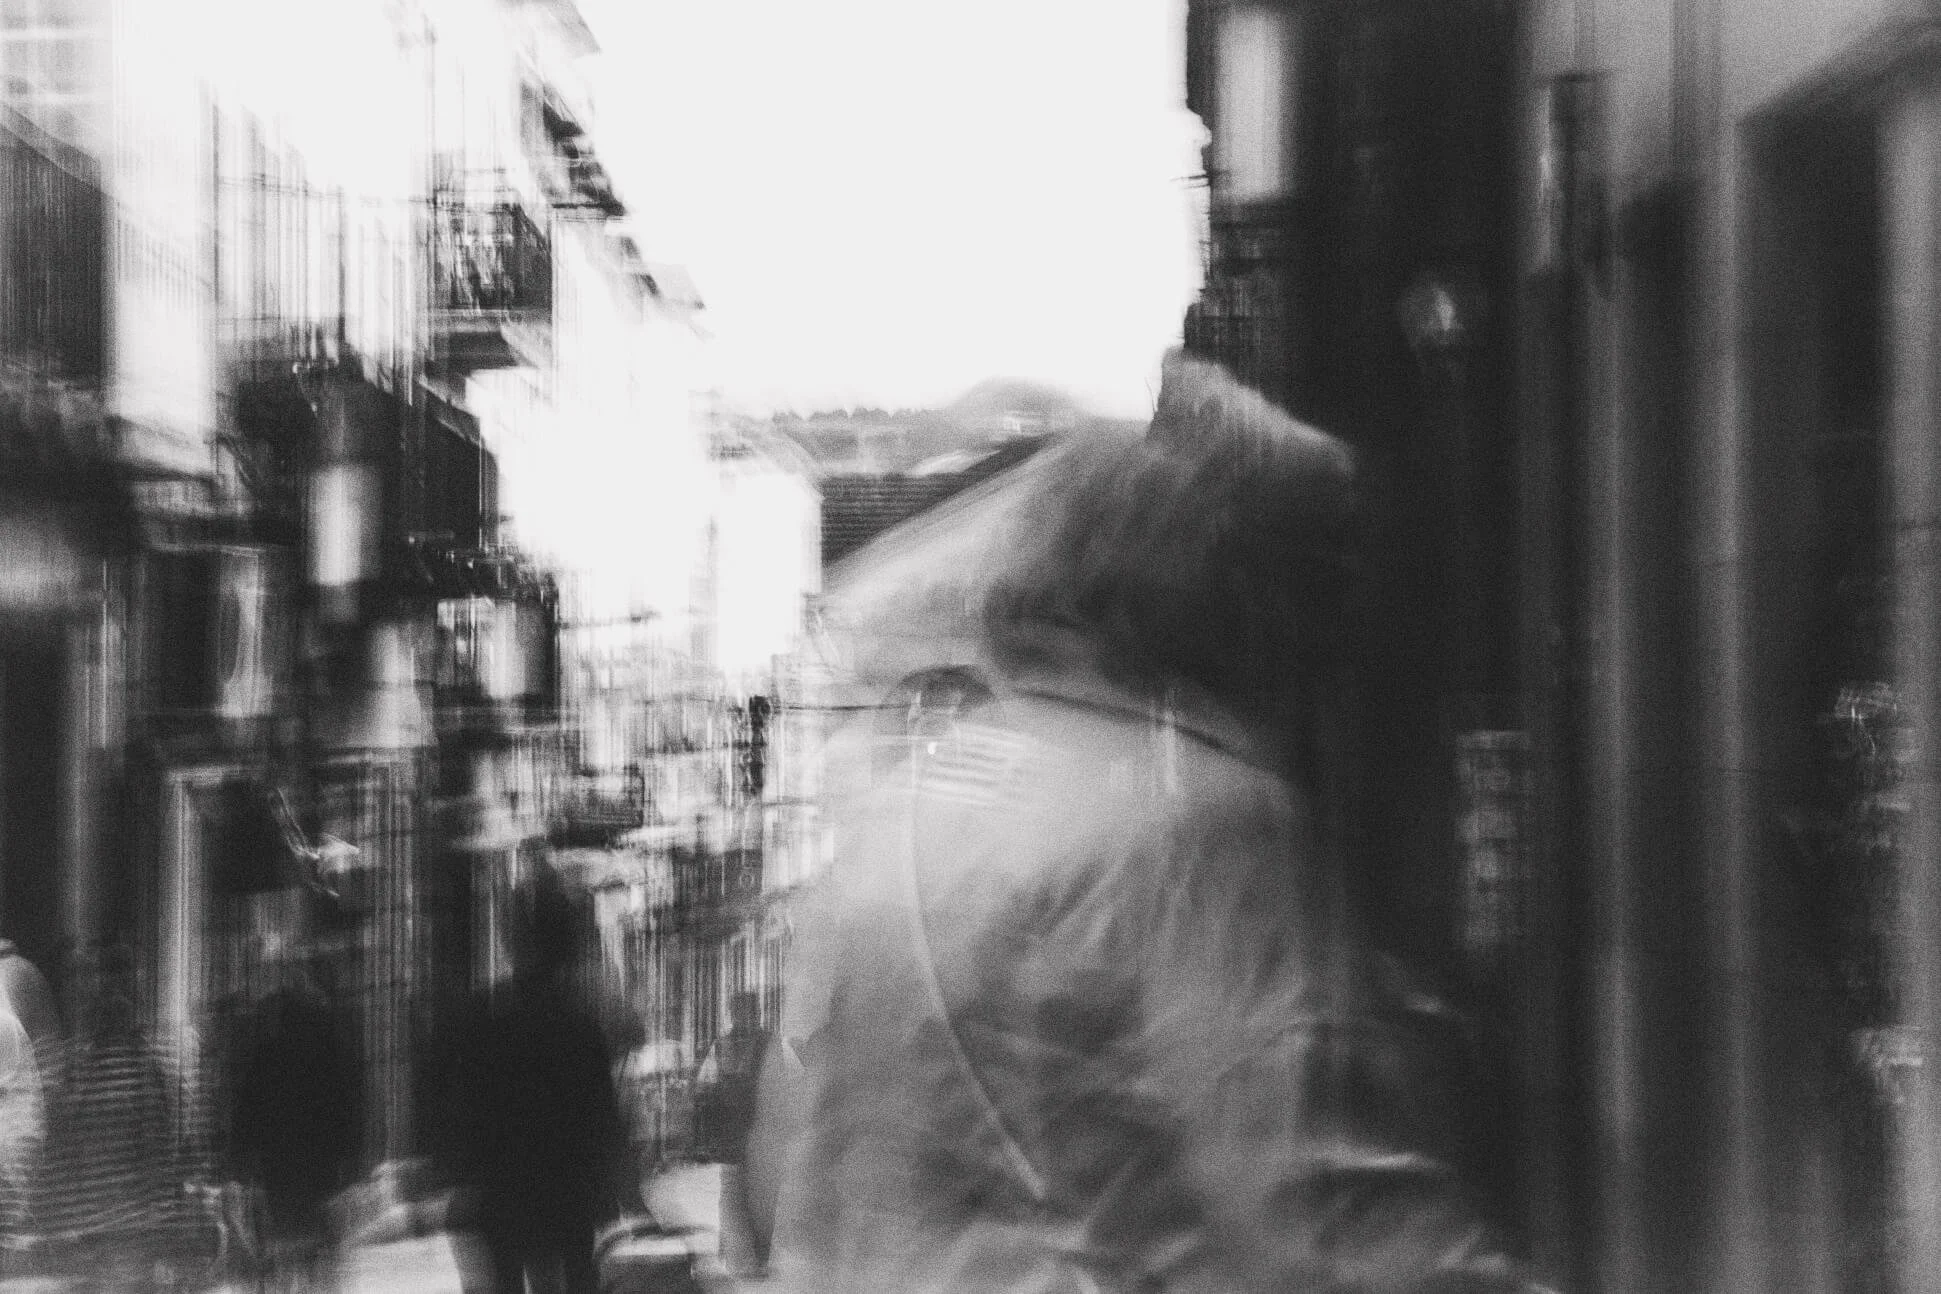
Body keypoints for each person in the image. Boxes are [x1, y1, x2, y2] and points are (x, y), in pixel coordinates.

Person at [753, 354, 1553, 1293]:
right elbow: (1324, 1214)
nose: (1338, 639)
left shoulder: (909, 810)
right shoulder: (1188, 823)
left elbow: (797, 1175)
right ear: (1235, 587)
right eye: (1319, 582)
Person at [444, 869, 629, 1294]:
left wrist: (465, 1180)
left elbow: (465, 1111)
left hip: (502, 1196)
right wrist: (622, 1195)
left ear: (512, 945)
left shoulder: (486, 1019)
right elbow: (601, 1120)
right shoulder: (580, 1028)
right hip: (566, 1199)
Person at [226, 887, 367, 1284]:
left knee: (283, 1249)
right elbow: (347, 1100)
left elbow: (248, 1105)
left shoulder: (267, 1045)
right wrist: (351, 1156)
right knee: (315, 1251)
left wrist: (239, 1160)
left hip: (278, 1167)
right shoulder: (328, 1039)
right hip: (318, 1167)